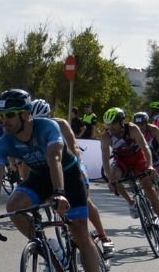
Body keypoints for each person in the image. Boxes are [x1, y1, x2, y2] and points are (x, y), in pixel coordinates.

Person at [0, 88, 107, 272]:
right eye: (1, 115)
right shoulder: (4, 143)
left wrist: (60, 193)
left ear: (26, 115)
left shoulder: (47, 127)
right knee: (14, 206)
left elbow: (55, 159)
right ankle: (50, 249)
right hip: (41, 177)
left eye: (9, 115)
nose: (4, 121)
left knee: (79, 231)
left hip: (68, 176)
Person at [32, 98, 113, 255]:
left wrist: (77, 170)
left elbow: (75, 148)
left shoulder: (61, 124)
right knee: (53, 199)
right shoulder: (30, 131)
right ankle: (69, 228)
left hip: (72, 166)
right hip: (51, 170)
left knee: (86, 202)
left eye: (43, 119)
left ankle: (103, 237)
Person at [102, 107, 159, 234]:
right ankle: (131, 202)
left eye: (112, 124)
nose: (109, 127)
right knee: (114, 178)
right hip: (121, 160)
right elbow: (105, 158)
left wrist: (150, 166)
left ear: (121, 122)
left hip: (138, 158)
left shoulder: (133, 129)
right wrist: (109, 179)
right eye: (107, 125)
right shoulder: (106, 136)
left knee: (149, 188)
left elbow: (146, 149)